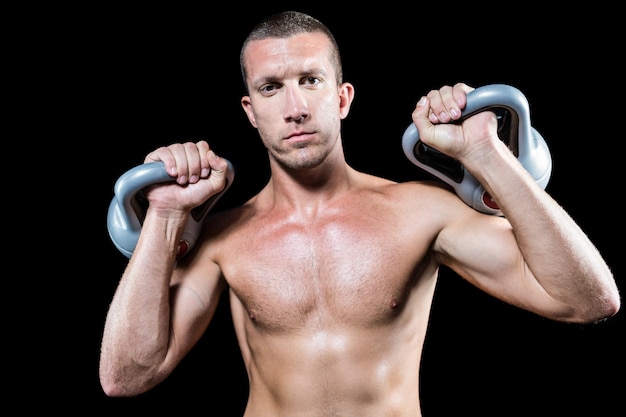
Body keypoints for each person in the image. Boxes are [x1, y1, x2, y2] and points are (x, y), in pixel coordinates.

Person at [99, 10, 620, 416]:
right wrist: (165, 216)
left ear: (343, 98)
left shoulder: (419, 212)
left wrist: (487, 154)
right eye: (271, 88)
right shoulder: (223, 240)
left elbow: (587, 299)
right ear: (250, 111)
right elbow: (125, 376)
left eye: (311, 80)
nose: (295, 107)